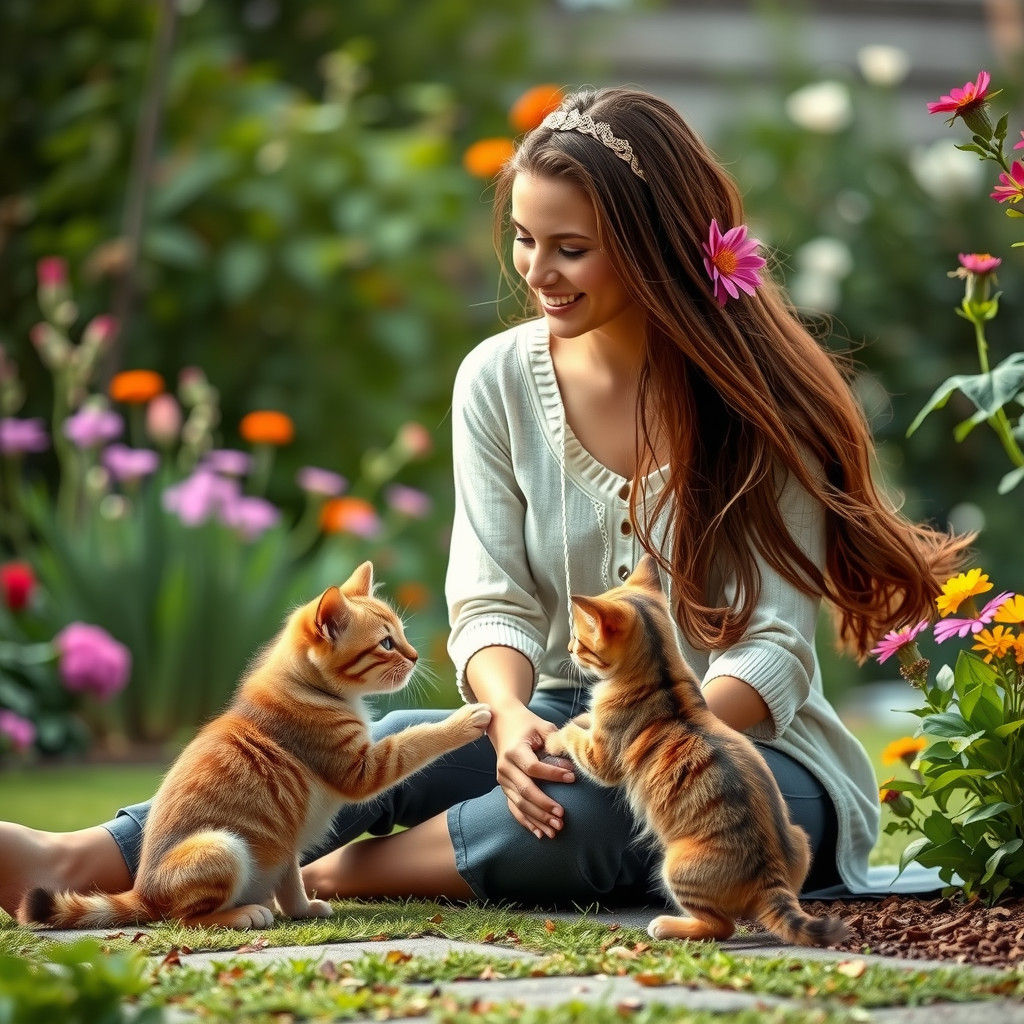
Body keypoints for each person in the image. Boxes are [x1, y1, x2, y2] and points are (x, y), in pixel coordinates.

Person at [0, 87, 968, 918]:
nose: (536, 273)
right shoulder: (497, 380)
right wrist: (506, 719)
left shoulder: (759, 402)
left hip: (752, 754)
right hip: (558, 708)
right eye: (522, 238)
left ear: (655, 246)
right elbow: (493, 597)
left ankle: (331, 872)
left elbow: (775, 650)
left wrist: (637, 743)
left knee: (589, 824)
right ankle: (83, 856)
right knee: (364, 739)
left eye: (571, 249)